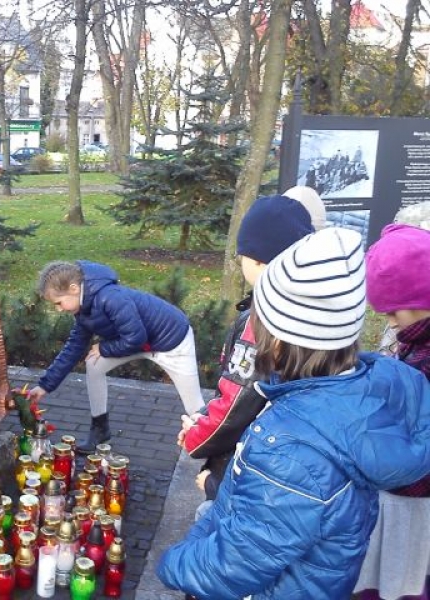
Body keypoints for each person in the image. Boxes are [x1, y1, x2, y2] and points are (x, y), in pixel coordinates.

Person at [157, 227, 430, 600]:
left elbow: (233, 566)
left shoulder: (291, 449)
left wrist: (172, 563)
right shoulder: (376, 386)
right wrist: (207, 527)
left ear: (279, 340)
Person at [179, 195, 315, 520]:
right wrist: (203, 415)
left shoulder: (263, 320)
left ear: (258, 260)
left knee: (211, 519)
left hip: (250, 459)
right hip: (290, 458)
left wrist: (197, 437)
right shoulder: (310, 308)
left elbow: (238, 400)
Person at [26, 260, 204, 454]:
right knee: (94, 364)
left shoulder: (110, 297)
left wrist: (104, 348)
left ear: (74, 288)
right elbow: (73, 347)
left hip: (172, 341)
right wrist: (44, 386)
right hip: (137, 340)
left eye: (59, 303)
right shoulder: (83, 308)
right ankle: (100, 430)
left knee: (195, 407)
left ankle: (208, 445)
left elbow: (136, 338)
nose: (59, 309)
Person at [354, 223, 430, 600]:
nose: (390, 322)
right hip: (407, 492)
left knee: (401, 581)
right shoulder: (416, 343)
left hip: (412, 498)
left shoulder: (423, 361)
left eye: (392, 312)